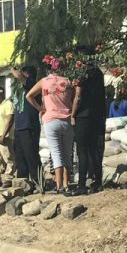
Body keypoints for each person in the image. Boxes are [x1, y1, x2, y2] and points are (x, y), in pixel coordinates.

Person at [27, 63, 75, 193]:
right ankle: (66, 184)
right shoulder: (68, 82)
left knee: (56, 153)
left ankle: (59, 186)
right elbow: (75, 98)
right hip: (67, 120)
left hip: (50, 120)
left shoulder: (44, 81)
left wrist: (40, 108)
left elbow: (29, 96)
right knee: (68, 153)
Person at [72, 63, 106, 194]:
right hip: (97, 116)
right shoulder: (98, 76)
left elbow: (78, 96)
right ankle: (98, 182)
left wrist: (73, 114)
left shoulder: (82, 76)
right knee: (94, 150)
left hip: (83, 116)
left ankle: (81, 184)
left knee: (82, 151)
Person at [11, 66, 41, 182]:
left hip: (29, 126)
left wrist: (13, 69)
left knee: (31, 155)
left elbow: (19, 76)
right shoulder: (19, 89)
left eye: (24, 74)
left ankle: (37, 180)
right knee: (20, 157)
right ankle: (23, 182)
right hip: (19, 127)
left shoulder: (33, 84)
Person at [0, 89, 15, 187]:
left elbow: (10, 120)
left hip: (5, 136)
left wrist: (4, 135)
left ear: (1, 94)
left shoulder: (8, 104)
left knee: (9, 158)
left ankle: (8, 178)